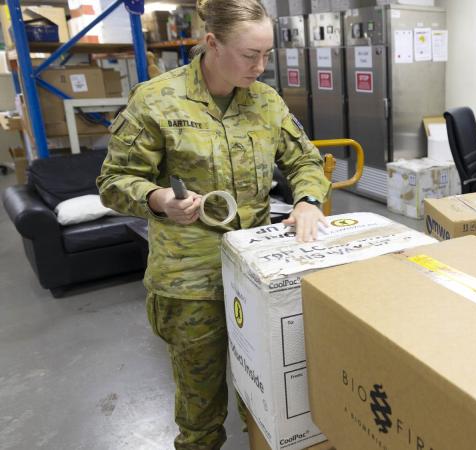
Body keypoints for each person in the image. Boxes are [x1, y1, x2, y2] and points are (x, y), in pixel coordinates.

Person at [96, 0, 331, 448]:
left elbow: (303, 158)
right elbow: (112, 181)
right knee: (200, 406)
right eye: (249, 55)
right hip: (190, 281)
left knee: (269, 393)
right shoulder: (156, 100)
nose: (260, 67)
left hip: (258, 273)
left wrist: (307, 200)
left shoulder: (265, 101)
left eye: (267, 55)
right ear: (211, 43)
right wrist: (158, 197)